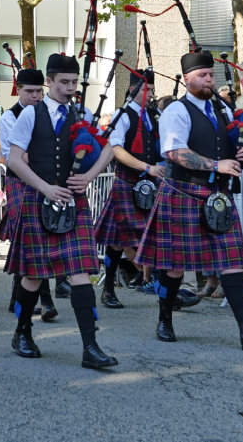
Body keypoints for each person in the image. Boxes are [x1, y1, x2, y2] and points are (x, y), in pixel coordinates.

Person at [136, 51, 243, 350]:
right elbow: (175, 152)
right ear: (187, 78)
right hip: (184, 192)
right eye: (203, 75)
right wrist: (216, 165)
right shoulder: (176, 111)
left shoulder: (223, 109)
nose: (209, 81)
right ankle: (165, 318)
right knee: (175, 265)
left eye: (211, 75)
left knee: (231, 261)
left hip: (218, 195)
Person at [5, 53, 118, 368]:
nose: (69, 88)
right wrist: (45, 187)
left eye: (73, 82)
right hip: (39, 201)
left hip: (73, 204)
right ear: (49, 82)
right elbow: (13, 160)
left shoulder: (83, 116)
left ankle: (90, 347)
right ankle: (22, 331)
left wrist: (88, 176)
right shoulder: (30, 114)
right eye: (63, 82)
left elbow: (111, 147)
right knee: (32, 276)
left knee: (81, 274)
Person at [94, 69, 165, 310]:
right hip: (128, 183)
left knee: (156, 235)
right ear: (133, 90)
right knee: (116, 241)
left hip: (151, 186)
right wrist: (147, 167)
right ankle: (108, 289)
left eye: (153, 90)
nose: (152, 94)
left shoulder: (153, 114)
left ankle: (163, 288)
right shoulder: (122, 115)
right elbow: (116, 150)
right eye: (148, 90)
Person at [0, 67, 57, 323]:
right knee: (32, 239)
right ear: (18, 89)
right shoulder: (8, 117)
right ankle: (46, 301)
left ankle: (17, 299)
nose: (35, 96)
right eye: (29, 91)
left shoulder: (48, 113)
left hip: (44, 180)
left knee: (29, 241)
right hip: (20, 182)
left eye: (39, 91)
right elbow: (16, 157)